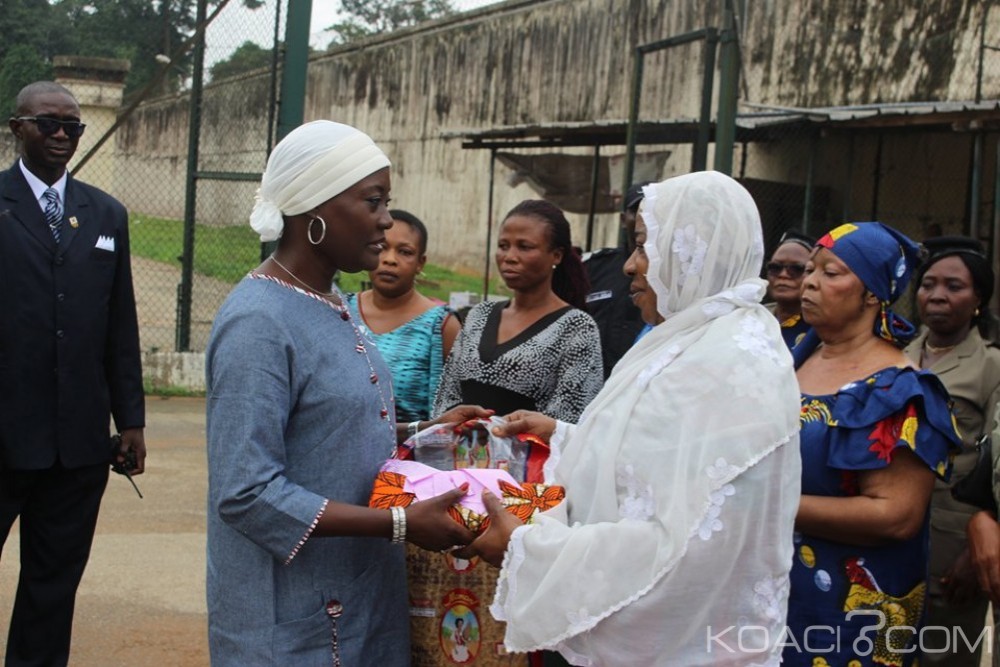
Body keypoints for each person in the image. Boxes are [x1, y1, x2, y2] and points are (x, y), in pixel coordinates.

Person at [459, 171, 802, 665]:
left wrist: (530, 549)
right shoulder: (689, 339)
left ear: (693, 256)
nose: (630, 266)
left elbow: (691, 542)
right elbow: (657, 465)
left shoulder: (729, 364)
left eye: (646, 246)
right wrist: (565, 436)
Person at [205, 120, 489, 665]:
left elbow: (328, 424)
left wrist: (425, 430)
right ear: (315, 210)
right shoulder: (259, 322)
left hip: (358, 590)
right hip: (292, 615)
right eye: (374, 201)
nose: (386, 220)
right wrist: (401, 523)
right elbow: (246, 491)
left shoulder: (328, 299)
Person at [0, 81, 146, 667]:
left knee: (51, 588)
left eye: (74, 127)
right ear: (17, 127)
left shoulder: (105, 213)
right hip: (4, 434)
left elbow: (121, 326)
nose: (62, 135)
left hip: (77, 445)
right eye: (49, 124)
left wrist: (130, 419)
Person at [784, 223, 962, 666]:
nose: (810, 282)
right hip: (770, 598)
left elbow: (895, 516)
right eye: (810, 270)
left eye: (831, 272)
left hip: (846, 620)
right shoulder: (786, 366)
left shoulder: (899, 391)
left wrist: (769, 503)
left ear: (871, 294)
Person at [903, 236, 1000, 667]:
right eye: (928, 284)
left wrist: (973, 547)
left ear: (978, 298)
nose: (938, 295)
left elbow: (993, 460)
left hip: (951, 543)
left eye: (954, 286)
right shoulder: (893, 353)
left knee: (944, 656)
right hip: (887, 533)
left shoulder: (991, 366)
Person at [432, 199, 603, 422]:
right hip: (461, 453)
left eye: (524, 247)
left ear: (557, 255)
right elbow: (447, 396)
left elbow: (571, 417)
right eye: (503, 246)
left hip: (531, 455)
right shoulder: (479, 316)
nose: (510, 257)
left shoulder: (577, 328)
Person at [346, 209, 461, 425]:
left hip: (409, 455)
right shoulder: (342, 312)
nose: (390, 260)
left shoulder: (441, 326)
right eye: (382, 248)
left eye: (405, 252)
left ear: (421, 263)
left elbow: (452, 415)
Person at [582, 182, 648, 378]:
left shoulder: (669, 275)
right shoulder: (594, 266)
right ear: (622, 219)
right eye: (636, 210)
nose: (642, 216)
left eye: (650, 209)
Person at [764, 229, 814, 349]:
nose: (783, 274)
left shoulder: (822, 329)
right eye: (775, 267)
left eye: (796, 269)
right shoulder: (752, 317)